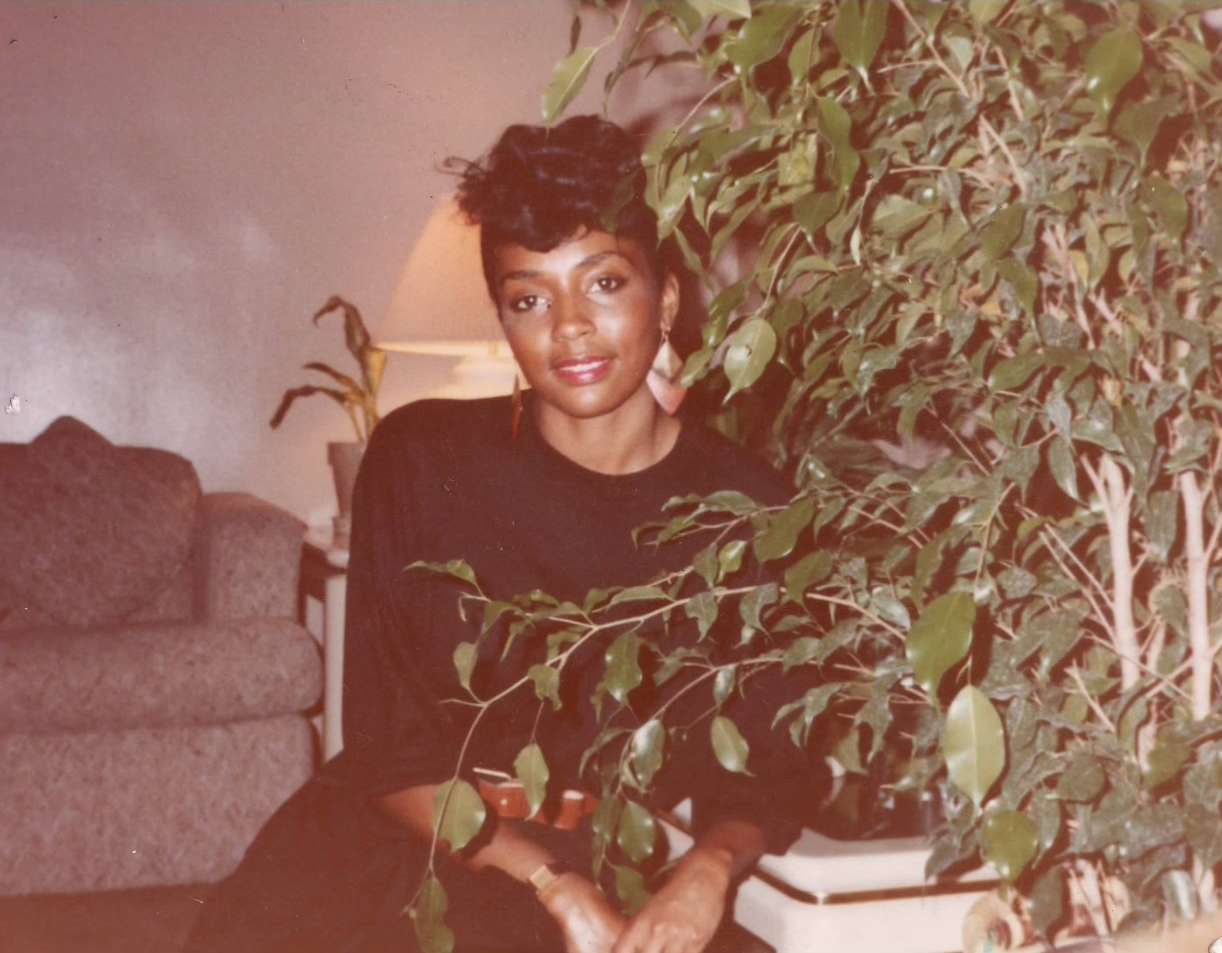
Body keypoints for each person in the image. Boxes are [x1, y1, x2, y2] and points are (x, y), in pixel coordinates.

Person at [186, 115, 819, 953]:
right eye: (529, 297)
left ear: (666, 299)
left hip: (616, 860)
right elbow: (384, 750)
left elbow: (772, 765)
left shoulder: (749, 506)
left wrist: (703, 875)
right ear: (503, 320)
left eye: (603, 284)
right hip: (405, 855)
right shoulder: (422, 459)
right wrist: (555, 887)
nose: (568, 328)